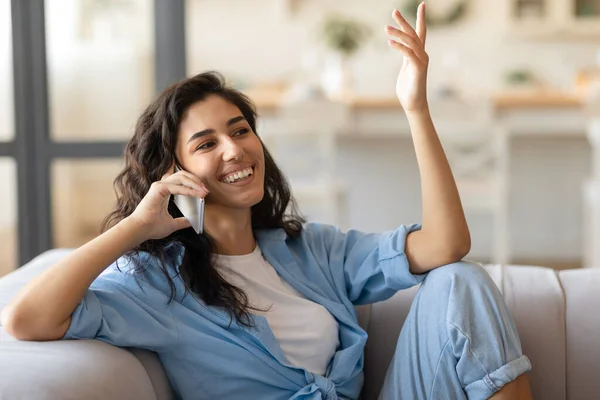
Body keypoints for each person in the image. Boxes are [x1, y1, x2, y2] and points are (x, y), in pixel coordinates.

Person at [1, 4, 532, 399]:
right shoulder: (156, 287)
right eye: (207, 143)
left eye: (241, 130)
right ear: (174, 172)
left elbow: (447, 245)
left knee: (459, 278)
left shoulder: (310, 250)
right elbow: (27, 320)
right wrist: (139, 226)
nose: (235, 150)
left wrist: (415, 108)